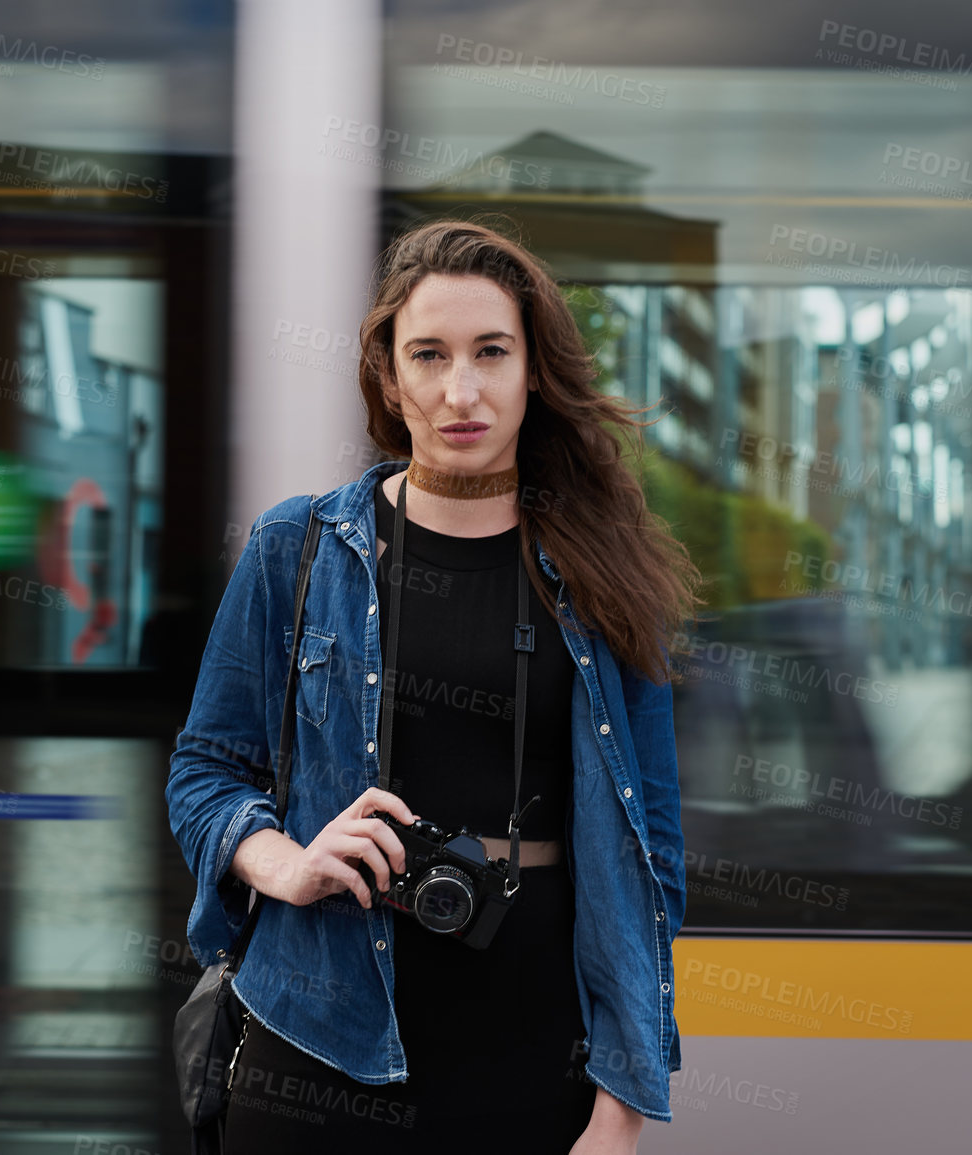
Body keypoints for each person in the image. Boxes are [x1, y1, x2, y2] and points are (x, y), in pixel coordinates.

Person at [165, 218, 700, 1153]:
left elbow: (651, 856)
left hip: (536, 1052)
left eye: (491, 351)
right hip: (317, 1042)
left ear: (533, 370)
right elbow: (205, 770)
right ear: (388, 376)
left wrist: (621, 1103)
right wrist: (281, 860)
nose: (462, 389)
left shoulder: (606, 573)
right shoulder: (297, 549)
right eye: (429, 354)